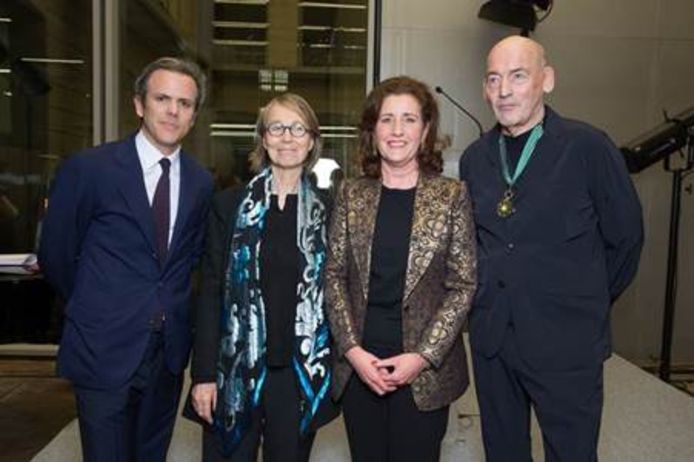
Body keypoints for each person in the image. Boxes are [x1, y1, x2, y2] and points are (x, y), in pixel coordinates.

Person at [458, 36, 643, 462]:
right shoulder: (474, 159)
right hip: (493, 341)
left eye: (518, 76)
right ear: (485, 89)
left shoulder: (589, 147)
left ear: (547, 80)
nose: (504, 90)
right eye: (494, 79)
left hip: (567, 342)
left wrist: (583, 298)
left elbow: (626, 240)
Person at [38, 57, 214, 461]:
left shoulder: (200, 181)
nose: (173, 111)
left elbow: (191, 262)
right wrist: (96, 307)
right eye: (163, 98)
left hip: (167, 356)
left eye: (185, 103)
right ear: (139, 104)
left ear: (194, 115)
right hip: (102, 348)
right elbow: (57, 254)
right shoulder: (90, 168)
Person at [325, 76, 477, 462]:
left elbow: (462, 285)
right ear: (372, 130)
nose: (396, 130)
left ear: (425, 131)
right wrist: (353, 352)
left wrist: (422, 356)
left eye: (408, 119)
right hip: (362, 367)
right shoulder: (350, 193)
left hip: (423, 372)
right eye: (386, 119)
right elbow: (334, 275)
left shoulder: (451, 196)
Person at [188, 93, 338, 461]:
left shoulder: (332, 210)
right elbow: (209, 293)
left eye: (297, 128)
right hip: (234, 368)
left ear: (312, 140)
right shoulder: (228, 206)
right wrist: (204, 375)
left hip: (298, 374)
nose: (287, 137)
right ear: (263, 138)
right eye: (277, 127)